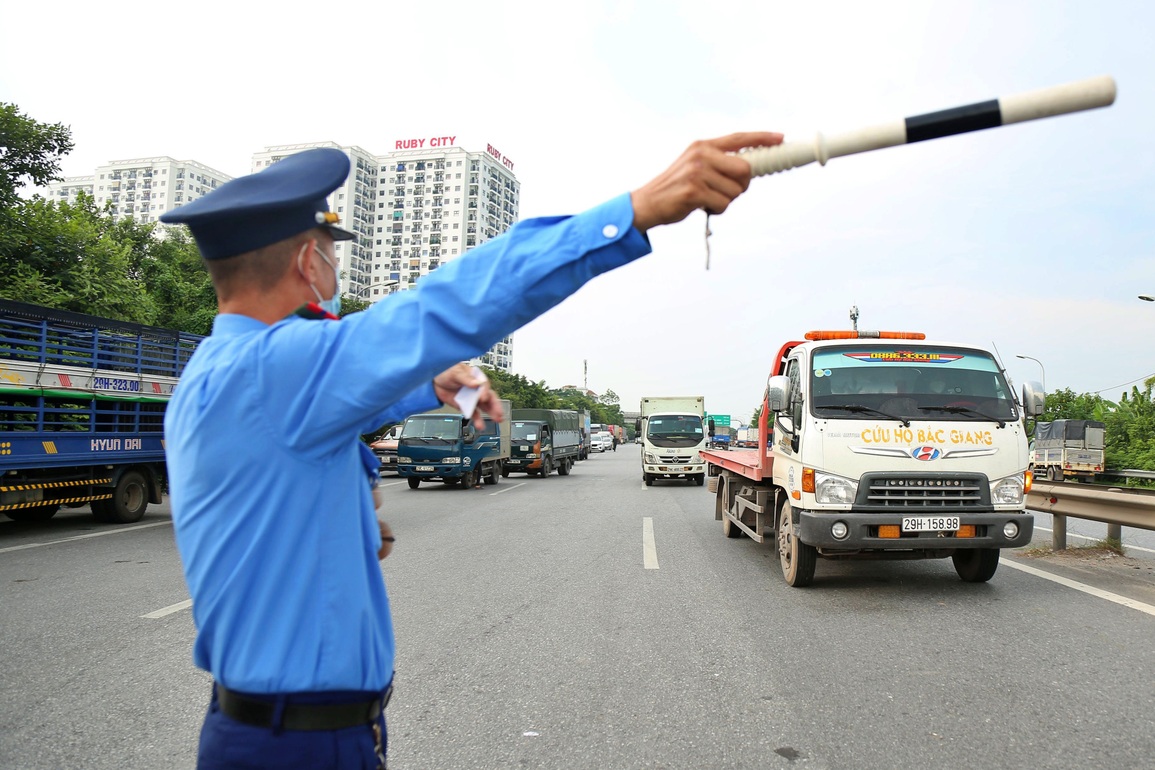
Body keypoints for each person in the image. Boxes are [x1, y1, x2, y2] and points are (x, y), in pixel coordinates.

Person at [160, 130, 782, 769]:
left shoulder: (218, 375)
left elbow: (327, 432)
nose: (336, 274)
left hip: (274, 731)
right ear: (305, 264)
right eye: (332, 257)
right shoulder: (274, 371)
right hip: (299, 747)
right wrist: (637, 208)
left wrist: (432, 386)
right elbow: (444, 307)